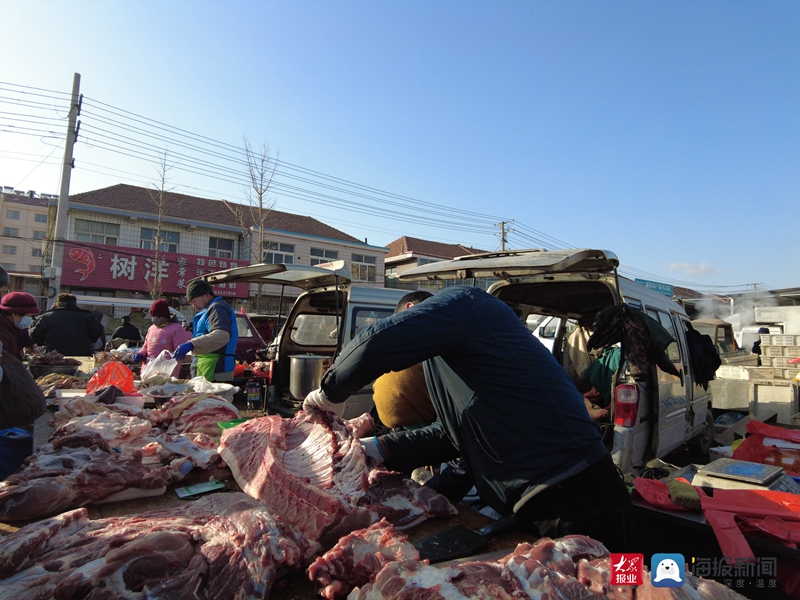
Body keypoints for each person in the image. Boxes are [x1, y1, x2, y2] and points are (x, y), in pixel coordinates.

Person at [304, 286, 633, 551]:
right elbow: (451, 435)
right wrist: (376, 447)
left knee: (621, 586)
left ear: (411, 313)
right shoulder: (447, 358)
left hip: (579, 491)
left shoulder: (465, 303)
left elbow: (375, 343)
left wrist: (328, 394)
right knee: (553, 587)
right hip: (537, 501)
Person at [173, 280, 238, 382]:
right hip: (207, 365)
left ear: (207, 295)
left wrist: (192, 344)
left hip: (216, 366)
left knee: (212, 398)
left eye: (194, 301)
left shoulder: (217, 307)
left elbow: (222, 335)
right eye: (191, 303)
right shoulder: (209, 309)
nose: (193, 305)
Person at [29, 293, 104, 357]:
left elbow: (34, 333)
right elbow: (98, 329)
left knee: (54, 374)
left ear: (57, 303)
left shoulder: (47, 316)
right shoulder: (87, 316)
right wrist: (90, 340)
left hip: (54, 356)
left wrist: (42, 342)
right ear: (75, 303)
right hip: (81, 354)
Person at [132, 300, 191, 379]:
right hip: (147, 372)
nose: (153, 319)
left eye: (154, 317)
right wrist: (140, 354)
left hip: (165, 374)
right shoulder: (151, 328)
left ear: (162, 317)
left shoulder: (177, 329)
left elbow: (179, 352)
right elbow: (145, 347)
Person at [0, 292, 41, 360]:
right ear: (14, 314)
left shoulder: (11, 329)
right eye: (29, 316)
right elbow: (7, 364)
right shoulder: (3, 334)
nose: (31, 319)